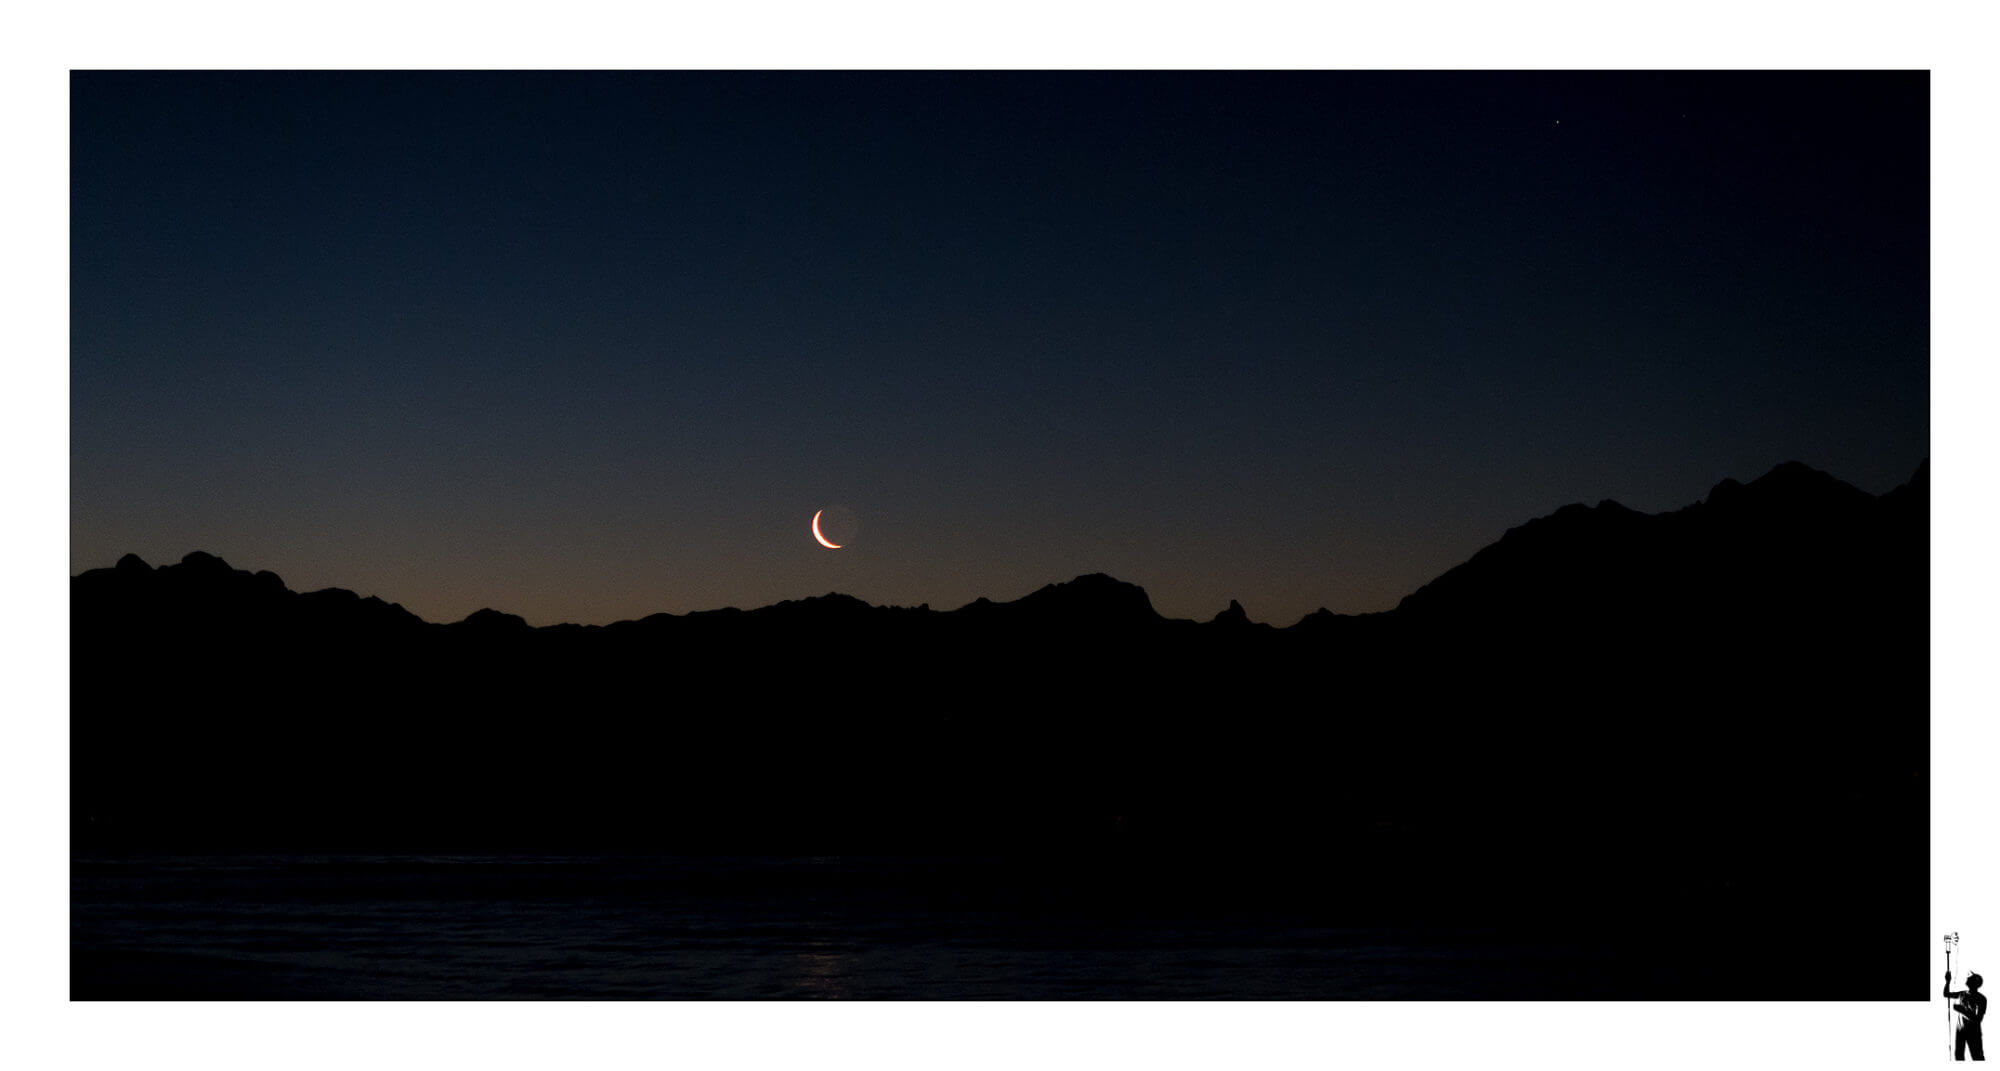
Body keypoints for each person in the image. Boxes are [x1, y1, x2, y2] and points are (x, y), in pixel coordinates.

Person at [1946, 971, 1988, 1061]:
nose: (1967, 978)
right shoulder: (1962, 994)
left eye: (1970, 978)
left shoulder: (1981, 999)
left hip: (1974, 1033)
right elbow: (1946, 994)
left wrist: (1962, 1010)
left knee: (1977, 1057)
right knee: (1959, 1056)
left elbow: (1978, 1019)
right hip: (1960, 1031)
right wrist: (1947, 981)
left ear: (1975, 983)